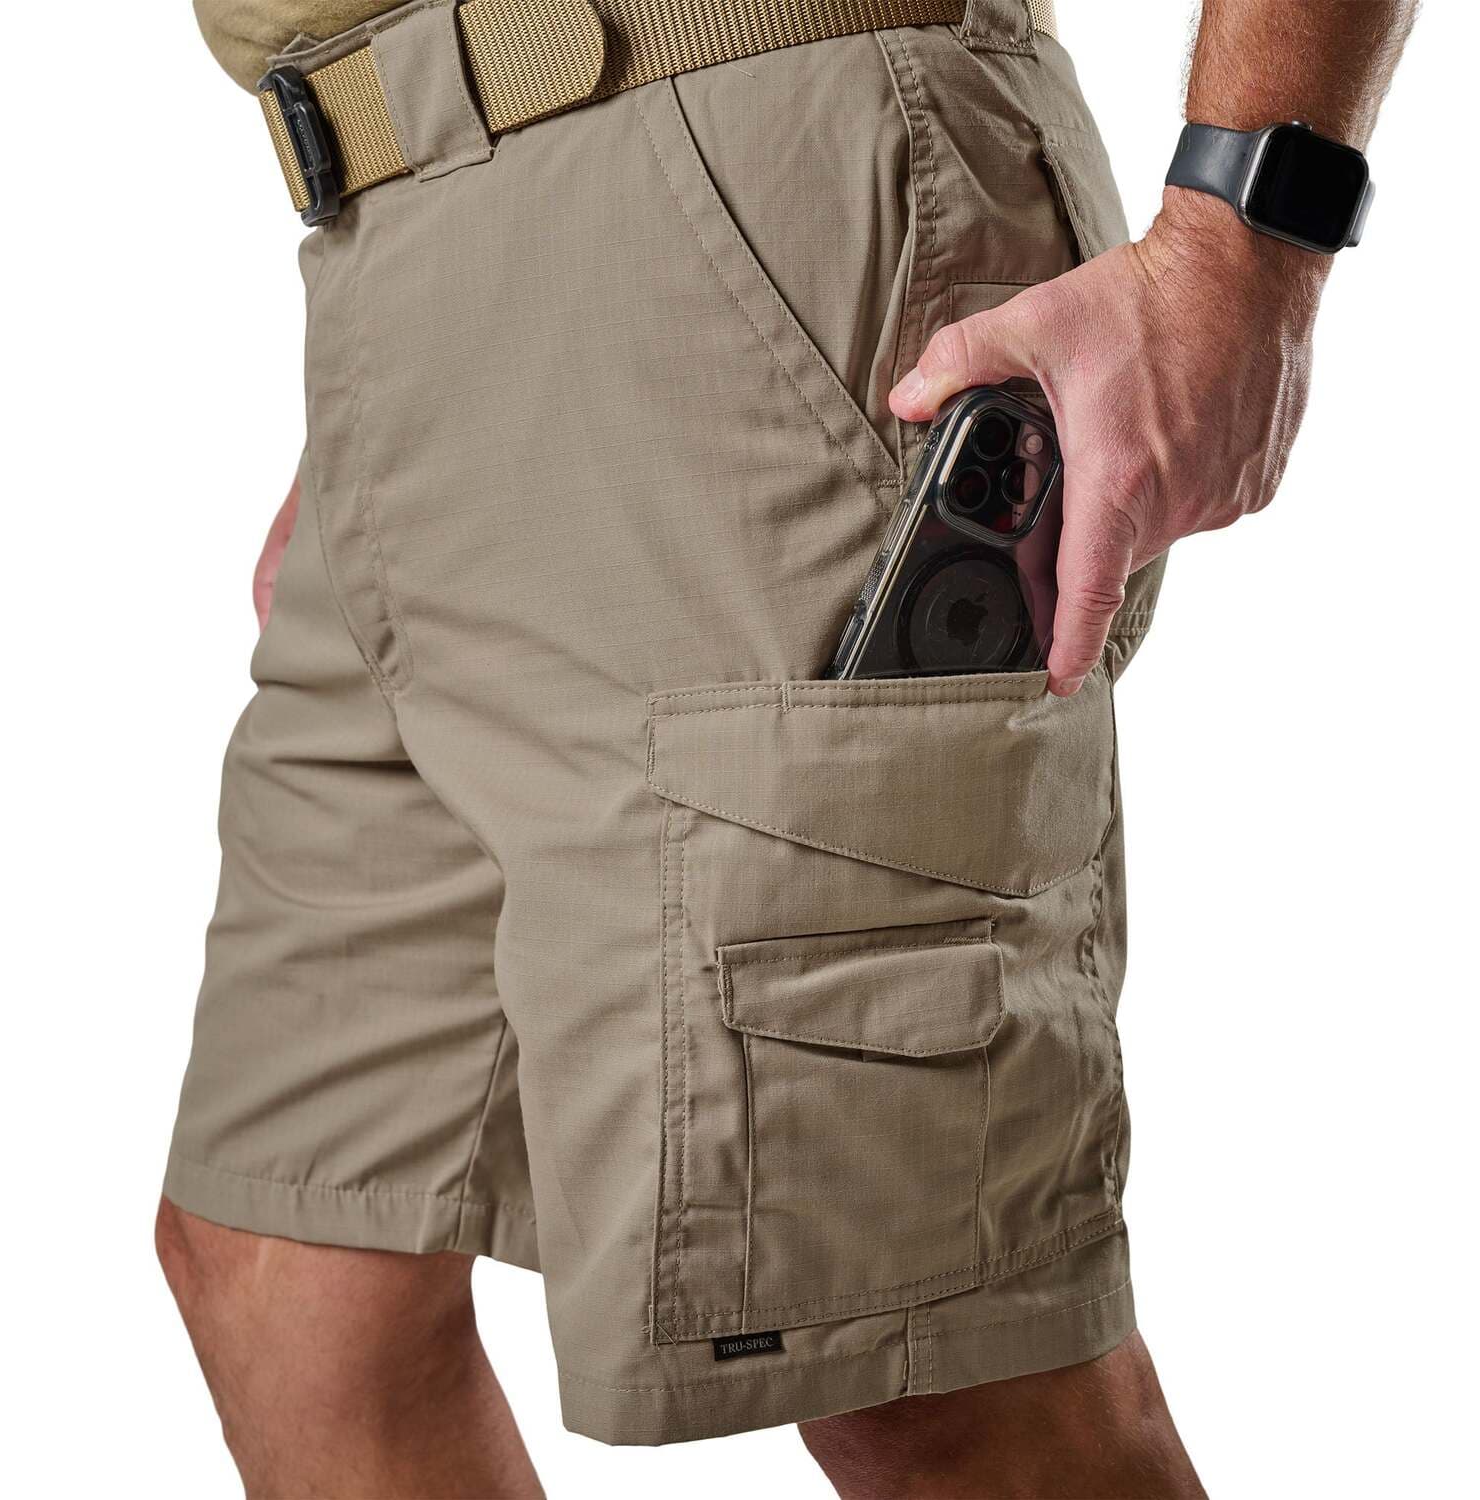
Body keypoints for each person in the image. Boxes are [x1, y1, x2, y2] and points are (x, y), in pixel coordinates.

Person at [158, 1, 1414, 1493]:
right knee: (290, 1263)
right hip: (402, 260)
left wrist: (1250, 231)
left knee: (919, 1358)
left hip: (755, 180)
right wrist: (424, 366)